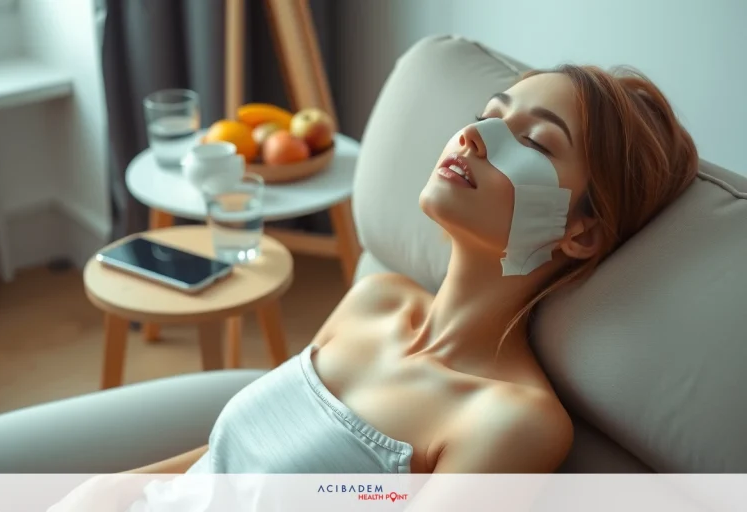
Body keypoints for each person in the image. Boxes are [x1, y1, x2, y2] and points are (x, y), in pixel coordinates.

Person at [128, 65, 699, 476]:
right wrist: (104, 490)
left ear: (581, 233)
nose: (474, 136)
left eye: (534, 141)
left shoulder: (512, 421)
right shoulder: (376, 300)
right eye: (487, 115)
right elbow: (219, 462)